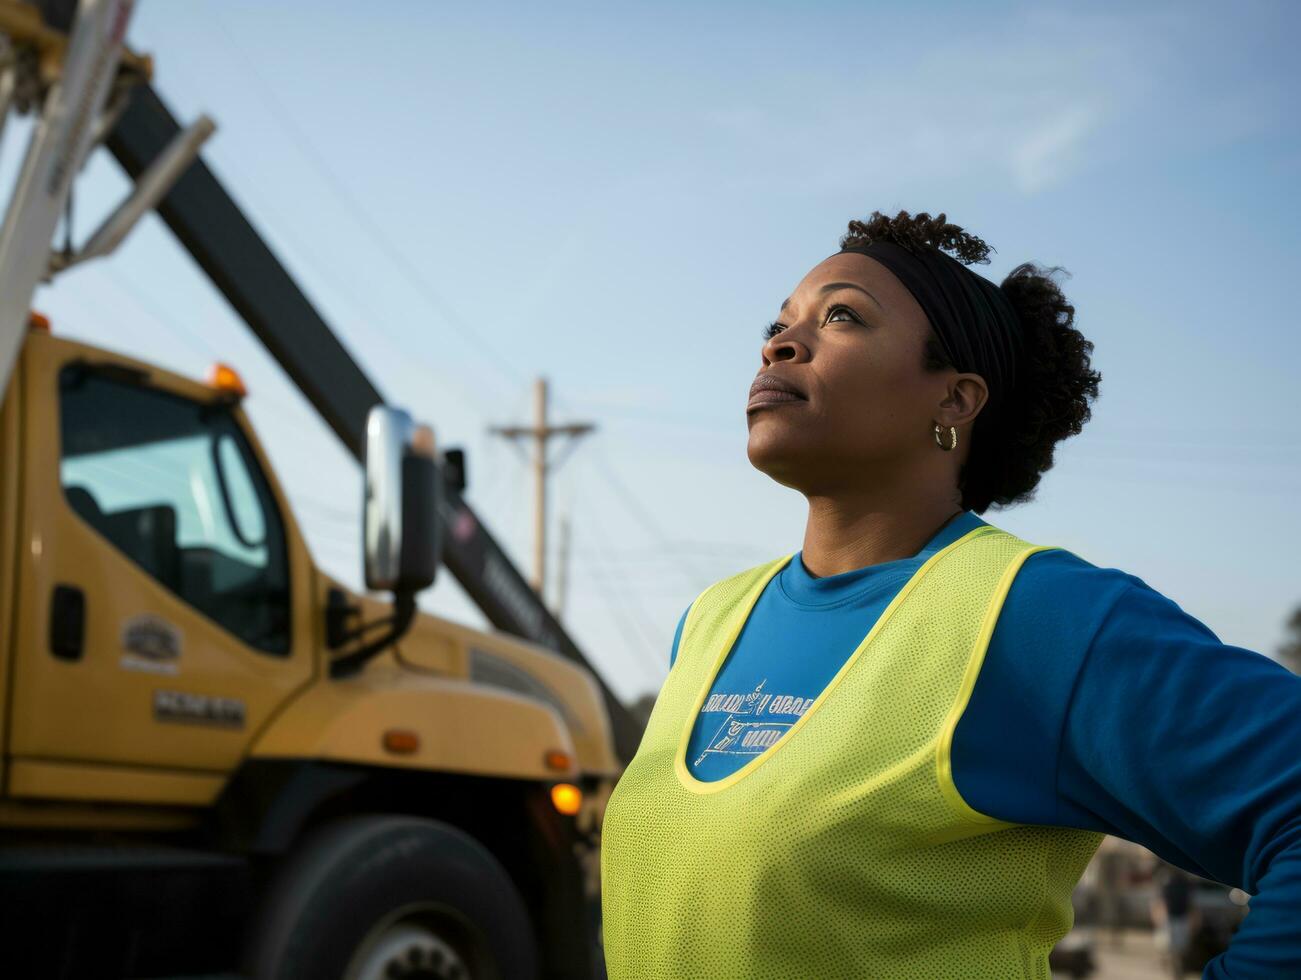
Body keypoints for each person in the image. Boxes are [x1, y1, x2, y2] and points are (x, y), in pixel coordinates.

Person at [599, 210, 1301, 979]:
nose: (779, 344)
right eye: (778, 323)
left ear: (955, 401)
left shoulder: (1034, 615)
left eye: (840, 317)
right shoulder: (712, 620)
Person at [1153, 863, 1201, 979]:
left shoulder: (1186, 883)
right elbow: (1160, 900)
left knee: (1181, 947)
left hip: (1182, 917)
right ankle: (1175, 971)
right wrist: (1158, 915)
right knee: (1170, 946)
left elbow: (1191, 903)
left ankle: (1178, 971)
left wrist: (1194, 918)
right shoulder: (1166, 881)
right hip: (1170, 918)